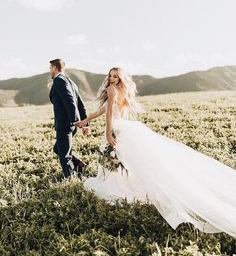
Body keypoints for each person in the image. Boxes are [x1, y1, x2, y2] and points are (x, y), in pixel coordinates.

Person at [75, 67, 236, 238]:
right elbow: (103, 110)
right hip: (126, 128)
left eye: (115, 76)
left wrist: (108, 133)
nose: (112, 78)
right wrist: (85, 120)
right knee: (127, 161)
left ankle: (118, 188)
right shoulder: (121, 90)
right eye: (110, 76)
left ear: (120, 78)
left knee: (119, 160)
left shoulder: (111, 90)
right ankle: (123, 185)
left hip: (117, 130)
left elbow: (108, 114)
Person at [49, 58, 90, 178]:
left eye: (50, 68)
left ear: (55, 68)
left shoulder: (59, 80)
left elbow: (70, 101)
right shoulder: (71, 82)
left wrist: (76, 121)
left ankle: (71, 180)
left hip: (65, 124)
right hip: (71, 124)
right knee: (58, 149)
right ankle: (78, 164)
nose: (50, 71)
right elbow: (80, 103)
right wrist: (84, 122)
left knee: (65, 157)